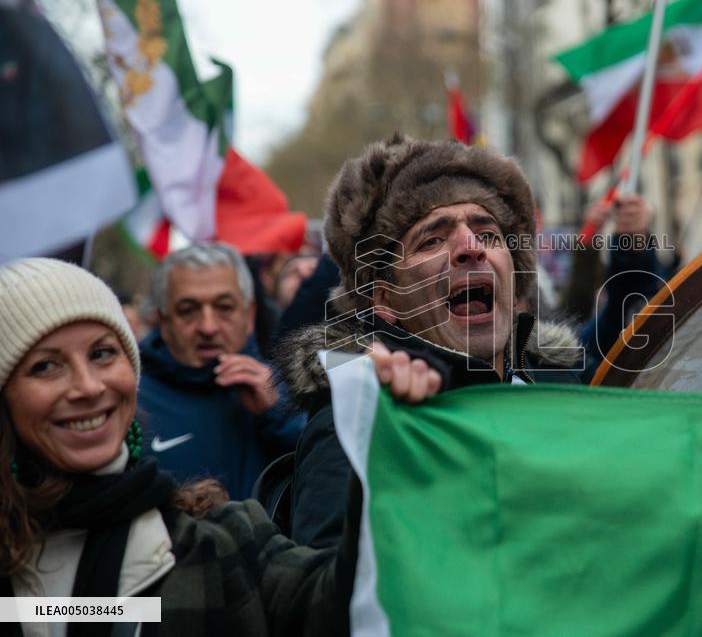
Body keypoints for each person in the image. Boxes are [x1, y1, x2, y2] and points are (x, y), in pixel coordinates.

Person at [0, 258, 346, 636]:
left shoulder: (219, 544)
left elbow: (341, 602)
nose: (88, 387)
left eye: (101, 353)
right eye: (46, 366)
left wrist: (375, 419)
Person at [273, 135, 582, 548]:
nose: (471, 248)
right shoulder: (357, 423)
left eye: (488, 234)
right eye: (432, 240)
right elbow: (323, 598)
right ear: (384, 299)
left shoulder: (571, 393)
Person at [138, 243, 303, 500]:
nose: (208, 326)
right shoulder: (133, 400)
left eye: (224, 307)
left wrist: (279, 415)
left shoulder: (291, 389)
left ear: (249, 315)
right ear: (163, 319)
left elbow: (331, 479)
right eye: (188, 310)